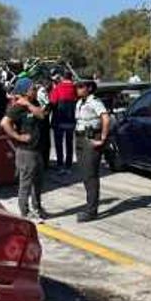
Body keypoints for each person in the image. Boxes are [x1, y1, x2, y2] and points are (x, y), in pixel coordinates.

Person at [0, 78, 47, 221]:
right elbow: (4, 123)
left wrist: (28, 103)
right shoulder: (17, 107)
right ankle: (25, 211)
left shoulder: (33, 103)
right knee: (26, 182)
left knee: (38, 182)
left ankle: (37, 207)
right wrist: (18, 137)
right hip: (26, 151)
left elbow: (41, 115)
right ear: (25, 91)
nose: (35, 90)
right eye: (32, 88)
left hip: (37, 149)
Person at [74, 80, 110, 223]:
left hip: (90, 138)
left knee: (90, 175)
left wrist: (102, 138)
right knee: (84, 173)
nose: (78, 89)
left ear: (89, 88)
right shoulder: (80, 102)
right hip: (80, 138)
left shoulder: (95, 101)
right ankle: (90, 206)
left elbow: (105, 118)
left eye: (81, 87)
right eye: (77, 87)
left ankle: (91, 210)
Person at [49, 71, 78, 172]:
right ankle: (69, 164)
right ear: (71, 78)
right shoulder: (75, 89)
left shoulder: (57, 88)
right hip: (71, 120)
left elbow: (52, 103)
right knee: (69, 142)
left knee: (58, 143)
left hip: (59, 120)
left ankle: (60, 164)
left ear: (62, 77)